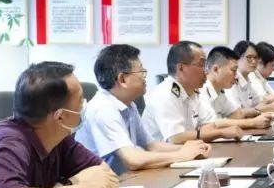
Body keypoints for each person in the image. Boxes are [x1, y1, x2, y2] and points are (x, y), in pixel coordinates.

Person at [76, 44, 213, 174]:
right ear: (122, 79)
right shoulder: (103, 109)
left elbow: (151, 145)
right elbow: (133, 160)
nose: (144, 77)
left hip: (125, 179)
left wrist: (192, 149)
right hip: (101, 184)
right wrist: (181, 155)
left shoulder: (128, 104)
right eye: (141, 71)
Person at [142, 41, 244, 144]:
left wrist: (206, 133)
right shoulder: (164, 94)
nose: (206, 71)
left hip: (188, 150)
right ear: (181, 68)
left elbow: (210, 125)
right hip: (164, 153)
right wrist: (221, 133)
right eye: (201, 65)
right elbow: (176, 138)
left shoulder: (193, 92)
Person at [200, 46, 272, 130]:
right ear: (216, 69)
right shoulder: (202, 90)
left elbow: (236, 113)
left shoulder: (220, 91)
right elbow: (213, 124)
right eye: (233, 70)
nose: (236, 75)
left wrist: (261, 113)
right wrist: (253, 122)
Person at [227, 41, 274, 113]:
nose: (254, 61)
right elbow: (238, 114)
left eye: (255, 58)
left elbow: (261, 101)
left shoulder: (248, 80)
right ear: (237, 58)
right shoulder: (231, 80)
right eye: (249, 57)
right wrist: (268, 108)